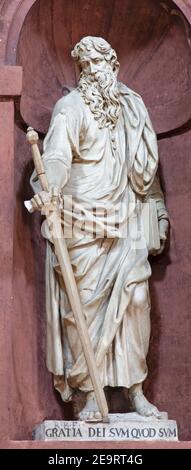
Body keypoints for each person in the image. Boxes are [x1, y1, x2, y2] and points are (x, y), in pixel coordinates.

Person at [30, 36, 169, 421]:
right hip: (81, 223)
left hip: (126, 221)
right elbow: (56, 156)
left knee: (136, 302)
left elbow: (146, 173)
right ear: (79, 72)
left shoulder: (132, 111)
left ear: (114, 65)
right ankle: (91, 393)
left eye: (99, 63)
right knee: (84, 311)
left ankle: (136, 390)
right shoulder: (70, 107)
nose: (93, 72)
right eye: (85, 66)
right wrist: (49, 187)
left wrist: (157, 211)